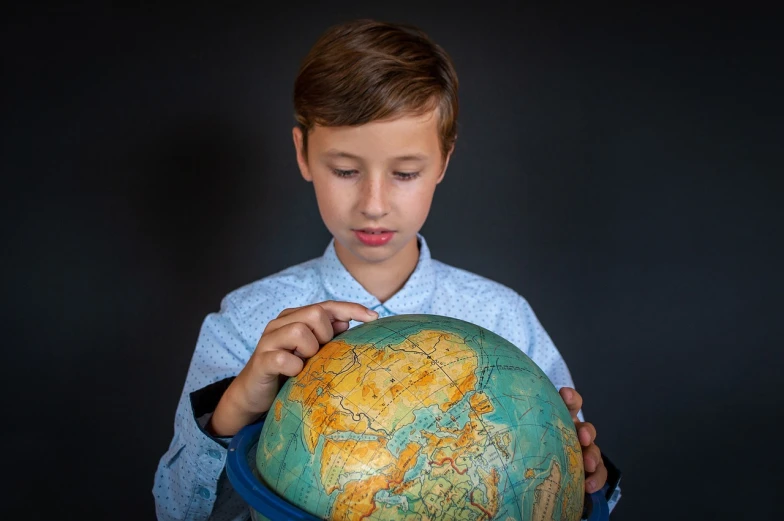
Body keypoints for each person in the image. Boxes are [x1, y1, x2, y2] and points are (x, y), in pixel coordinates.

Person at [153, 18, 621, 521]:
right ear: (302, 153)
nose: (373, 204)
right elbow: (175, 510)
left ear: (444, 161)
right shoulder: (246, 324)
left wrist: (585, 477)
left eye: (404, 173)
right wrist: (232, 412)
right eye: (346, 170)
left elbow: (567, 493)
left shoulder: (505, 320)